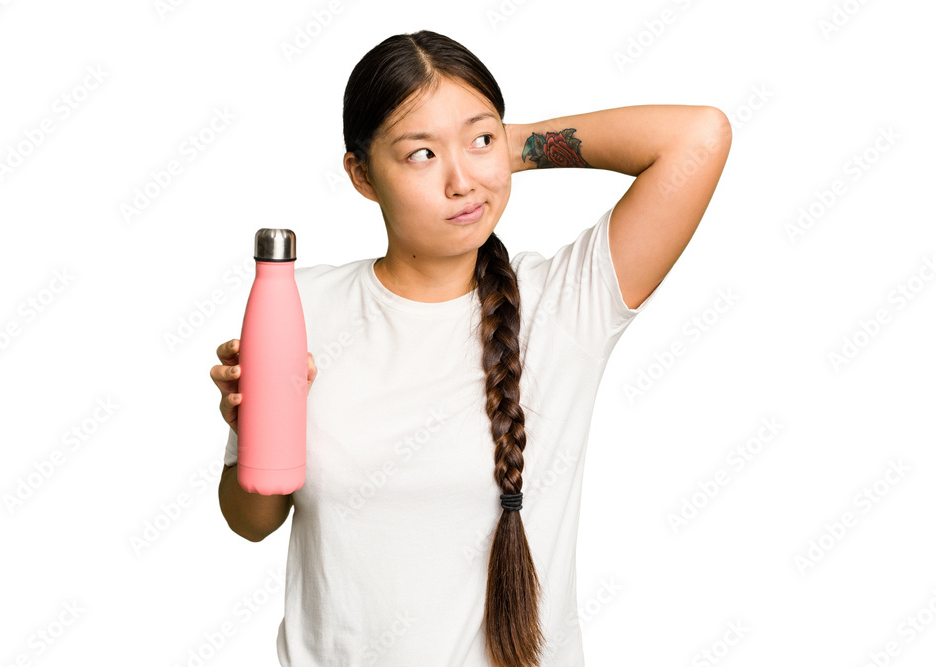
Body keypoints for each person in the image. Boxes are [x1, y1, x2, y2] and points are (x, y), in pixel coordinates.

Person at [211, 29, 730, 667]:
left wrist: (483, 146)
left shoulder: (565, 305)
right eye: (419, 155)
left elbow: (698, 136)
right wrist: (255, 434)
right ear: (362, 175)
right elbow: (251, 521)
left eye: (483, 141)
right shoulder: (300, 304)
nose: (463, 182)